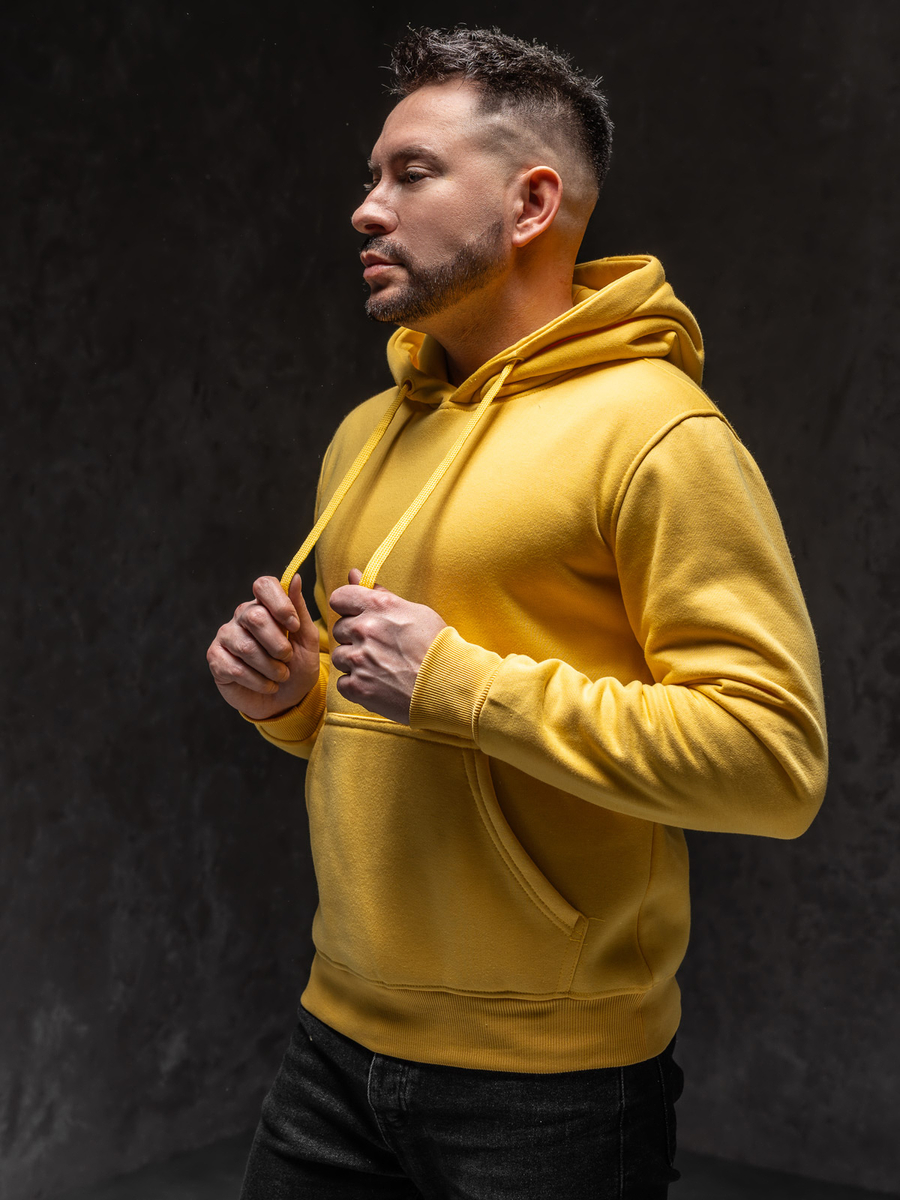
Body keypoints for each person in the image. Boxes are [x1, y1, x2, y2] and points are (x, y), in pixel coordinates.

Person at [206, 25, 827, 1199]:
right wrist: (295, 698)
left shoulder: (658, 434)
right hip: (333, 1039)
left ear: (532, 202)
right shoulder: (365, 431)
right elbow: (373, 715)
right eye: (372, 174)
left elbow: (772, 763)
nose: (365, 209)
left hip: (552, 1090)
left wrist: (460, 684)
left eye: (412, 174)